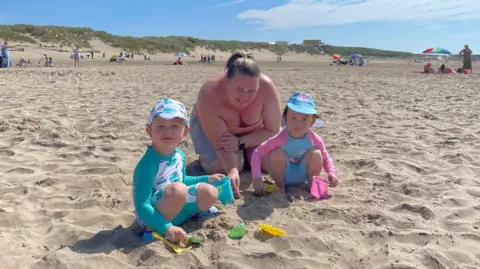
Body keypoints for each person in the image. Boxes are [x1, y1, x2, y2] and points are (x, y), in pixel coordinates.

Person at [190, 50, 282, 199]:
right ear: (226, 80)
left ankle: (245, 153)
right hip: (217, 134)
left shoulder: (267, 88)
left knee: (267, 162)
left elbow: (273, 129)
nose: (245, 96)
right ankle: (228, 158)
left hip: (253, 132)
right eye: (239, 89)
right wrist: (232, 169)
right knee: (221, 167)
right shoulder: (209, 93)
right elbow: (220, 143)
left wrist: (240, 142)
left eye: (251, 91)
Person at [133, 98, 224, 243]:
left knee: (210, 192)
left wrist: (207, 179)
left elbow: (182, 179)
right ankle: (156, 229)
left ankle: (189, 214)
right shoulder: (147, 164)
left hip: (176, 203)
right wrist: (166, 227)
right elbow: (142, 205)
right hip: (152, 216)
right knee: (178, 191)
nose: (168, 131)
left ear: (185, 132)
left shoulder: (179, 156)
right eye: (160, 126)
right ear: (149, 131)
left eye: (175, 126)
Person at [250, 92, 339, 196]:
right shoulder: (280, 138)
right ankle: (280, 186)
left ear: (312, 122)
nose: (298, 124)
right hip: (283, 175)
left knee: (316, 153)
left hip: (303, 174)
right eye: (293, 118)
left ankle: (311, 184)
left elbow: (325, 157)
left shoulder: (314, 139)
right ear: (285, 117)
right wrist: (256, 177)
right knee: (276, 153)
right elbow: (257, 153)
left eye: (304, 119)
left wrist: (331, 173)